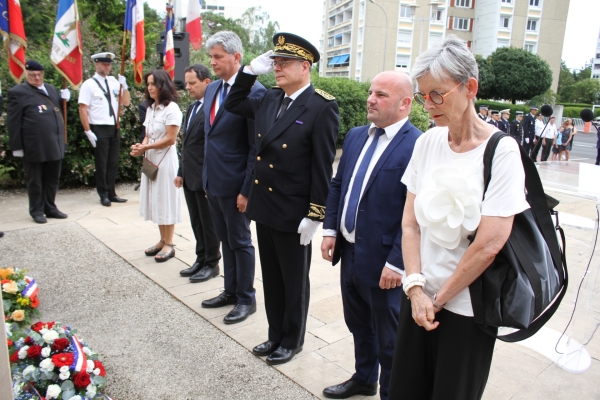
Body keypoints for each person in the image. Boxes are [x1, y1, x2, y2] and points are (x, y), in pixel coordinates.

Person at [388, 35, 529, 400]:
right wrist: (416, 289)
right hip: (418, 296)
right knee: (404, 388)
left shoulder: (502, 152)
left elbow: (489, 244)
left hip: (467, 307)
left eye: (437, 94)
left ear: (470, 88)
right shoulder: (428, 142)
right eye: (422, 96)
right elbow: (410, 223)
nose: (428, 105)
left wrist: (437, 300)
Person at [224, 32, 340, 365]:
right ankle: (275, 335)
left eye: (284, 62)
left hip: (294, 211)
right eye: (274, 62)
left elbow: (322, 167)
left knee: (294, 281)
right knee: (272, 278)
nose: (276, 68)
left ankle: (293, 340)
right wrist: (248, 71)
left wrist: (316, 214)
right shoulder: (269, 98)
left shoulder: (321, 106)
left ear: (305, 67)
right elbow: (234, 103)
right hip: (266, 206)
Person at [320, 71, 421, 400]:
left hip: (385, 265)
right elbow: (339, 185)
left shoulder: (417, 145)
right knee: (359, 325)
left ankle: (391, 393)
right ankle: (365, 378)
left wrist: (398, 262)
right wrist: (331, 229)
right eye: (370, 92)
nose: (370, 99)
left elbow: (417, 212)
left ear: (405, 103)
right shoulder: (356, 136)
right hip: (349, 254)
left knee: (389, 339)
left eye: (381, 94)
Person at [200, 31, 266, 325]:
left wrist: (246, 190)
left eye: (218, 57)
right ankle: (230, 290)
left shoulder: (255, 93)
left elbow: (256, 147)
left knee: (240, 241)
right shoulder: (212, 89)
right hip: (213, 181)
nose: (212, 62)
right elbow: (209, 137)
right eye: (211, 56)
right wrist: (206, 179)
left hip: (236, 183)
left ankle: (246, 299)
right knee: (225, 239)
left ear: (236, 57)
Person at [7, 60, 70, 224]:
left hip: (54, 142)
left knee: (52, 178)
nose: (36, 78)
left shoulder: (51, 89)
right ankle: (36, 210)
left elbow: (57, 112)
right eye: (32, 75)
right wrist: (17, 146)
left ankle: (50, 207)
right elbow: (13, 122)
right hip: (34, 145)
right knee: (35, 180)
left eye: (39, 74)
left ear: (43, 73)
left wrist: (66, 100)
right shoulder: (18, 92)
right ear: (26, 75)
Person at [130, 70, 182, 262]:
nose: (150, 87)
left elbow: (170, 139)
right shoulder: (151, 108)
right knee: (156, 199)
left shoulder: (172, 109)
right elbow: (148, 134)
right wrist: (140, 148)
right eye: (148, 83)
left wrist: (147, 146)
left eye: (153, 83)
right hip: (152, 159)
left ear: (163, 85)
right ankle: (162, 239)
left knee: (166, 199)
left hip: (166, 160)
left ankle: (170, 243)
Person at [175, 64, 221, 282]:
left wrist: (208, 180)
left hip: (204, 179)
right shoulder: (192, 108)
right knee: (196, 221)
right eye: (187, 83)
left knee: (208, 223)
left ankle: (212, 262)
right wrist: (180, 171)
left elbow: (211, 148)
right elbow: (187, 145)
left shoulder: (213, 109)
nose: (188, 87)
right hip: (190, 176)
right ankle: (201, 258)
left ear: (207, 82)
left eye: (192, 83)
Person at [78, 52, 130, 207]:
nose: (107, 67)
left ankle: (112, 192)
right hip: (99, 127)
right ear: (96, 64)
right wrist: (88, 131)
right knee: (102, 162)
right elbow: (83, 109)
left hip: (115, 126)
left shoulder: (114, 82)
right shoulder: (89, 84)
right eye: (103, 64)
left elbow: (126, 102)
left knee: (113, 162)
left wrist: (125, 86)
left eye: (109, 64)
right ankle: (103, 194)